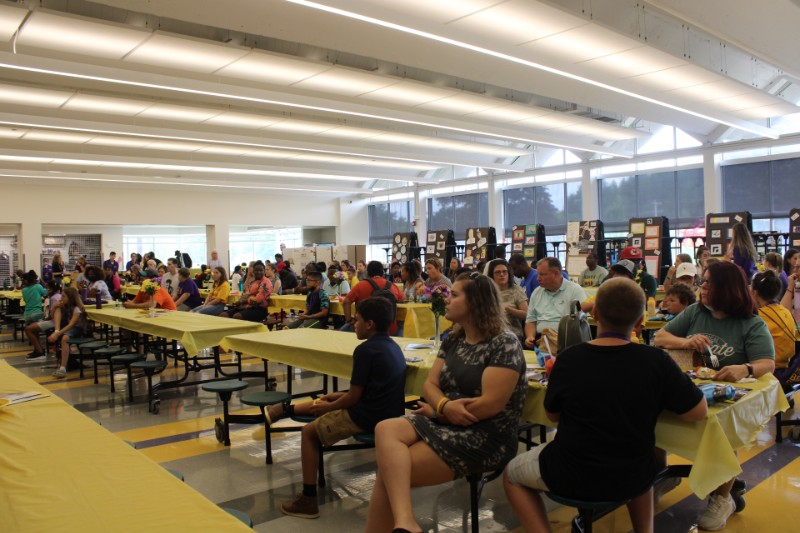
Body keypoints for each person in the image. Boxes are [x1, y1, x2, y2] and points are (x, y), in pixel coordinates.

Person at [504, 277, 707, 533]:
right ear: (640, 322)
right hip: (632, 475)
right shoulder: (656, 361)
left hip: (569, 473)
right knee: (640, 461)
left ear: (595, 314)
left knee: (512, 473)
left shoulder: (568, 360)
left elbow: (551, 416)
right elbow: (698, 411)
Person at [365, 272, 527, 532]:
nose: (447, 299)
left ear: (475, 303)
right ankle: (405, 521)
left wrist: (439, 412)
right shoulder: (454, 337)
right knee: (385, 429)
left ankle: (404, 523)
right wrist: (443, 406)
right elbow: (429, 385)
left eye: (454, 295)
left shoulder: (503, 343)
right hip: (447, 419)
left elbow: (490, 406)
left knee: (390, 471)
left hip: (485, 434)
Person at [654, 260, 775, 530]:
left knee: (724, 429)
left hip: (728, 397)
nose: (703, 286)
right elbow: (660, 338)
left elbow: (768, 363)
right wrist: (685, 341)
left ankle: (722, 498)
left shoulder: (751, 324)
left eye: (709, 282)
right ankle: (663, 475)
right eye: (703, 281)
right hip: (693, 390)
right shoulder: (697, 311)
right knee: (653, 413)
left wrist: (745, 367)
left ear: (728, 289)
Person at [272, 297, 406, 519]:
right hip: (390, 413)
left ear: (370, 324)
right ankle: (285, 410)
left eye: (358, 320)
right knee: (330, 399)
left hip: (368, 416)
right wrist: (336, 398)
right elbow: (367, 390)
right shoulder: (393, 346)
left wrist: (330, 408)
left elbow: (353, 398)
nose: (353, 323)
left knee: (308, 433)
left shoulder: (365, 350)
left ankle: (308, 499)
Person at [524, 257, 587, 350]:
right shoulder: (537, 292)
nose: (538, 279)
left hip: (566, 341)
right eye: (538, 274)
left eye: (542, 275)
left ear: (556, 273)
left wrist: (554, 338)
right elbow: (531, 320)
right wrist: (530, 337)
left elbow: (581, 320)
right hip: (540, 340)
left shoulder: (575, 290)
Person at [751, 270, 798, 387]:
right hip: (790, 371)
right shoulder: (785, 311)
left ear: (754, 293)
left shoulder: (757, 318)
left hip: (771, 372)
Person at [341, 260, 404, 335]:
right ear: (382, 272)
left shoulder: (360, 285)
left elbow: (346, 302)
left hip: (365, 329)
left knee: (342, 332)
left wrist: (348, 320)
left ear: (368, 272)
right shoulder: (392, 286)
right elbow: (402, 299)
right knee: (401, 326)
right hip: (388, 329)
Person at [48, 287, 87, 379]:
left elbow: (71, 324)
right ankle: (56, 330)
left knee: (65, 338)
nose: (61, 298)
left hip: (78, 328)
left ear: (70, 298)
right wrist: (54, 306)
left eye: (64, 296)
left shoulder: (77, 308)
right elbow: (52, 316)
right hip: (68, 326)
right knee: (58, 309)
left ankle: (63, 368)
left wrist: (57, 334)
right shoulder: (63, 306)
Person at [487, 258, 528, 342]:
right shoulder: (488, 290)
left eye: (504, 271)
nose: (502, 274)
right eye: (498, 272)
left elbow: (526, 314)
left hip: (512, 335)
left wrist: (508, 309)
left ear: (509, 273)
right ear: (492, 275)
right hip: (490, 334)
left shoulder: (516, 290)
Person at [24, 279, 62, 361]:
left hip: (54, 322)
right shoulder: (57, 296)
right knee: (34, 328)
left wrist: (46, 319)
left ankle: (39, 352)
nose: (46, 290)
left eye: (47, 288)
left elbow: (54, 315)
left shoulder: (54, 298)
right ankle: (38, 349)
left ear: (51, 289)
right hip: (53, 320)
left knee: (28, 329)